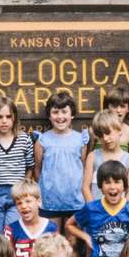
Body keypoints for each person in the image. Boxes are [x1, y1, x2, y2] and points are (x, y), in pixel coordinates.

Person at [34, 91, 88, 231]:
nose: (60, 116)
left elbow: (82, 166)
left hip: (75, 201)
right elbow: (38, 169)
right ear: (49, 115)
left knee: (73, 243)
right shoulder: (42, 140)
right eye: (55, 112)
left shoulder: (80, 139)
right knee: (52, 241)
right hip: (50, 202)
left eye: (64, 112)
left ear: (72, 115)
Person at [0, 96, 35, 233]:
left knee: (12, 231)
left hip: (17, 193)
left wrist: (24, 187)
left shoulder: (24, 139)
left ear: (14, 118)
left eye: (8, 116)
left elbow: (29, 166)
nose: (4, 121)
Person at [4, 179, 58, 257]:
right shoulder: (11, 229)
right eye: (19, 203)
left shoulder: (51, 227)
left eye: (28, 201)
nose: (24, 206)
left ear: (39, 201)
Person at [82, 110, 129, 202]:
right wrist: (93, 209)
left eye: (108, 133)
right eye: (101, 136)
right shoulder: (92, 157)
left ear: (119, 130)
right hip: (97, 211)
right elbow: (86, 187)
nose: (105, 139)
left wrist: (122, 211)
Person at [102, 87, 129, 153]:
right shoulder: (95, 131)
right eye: (114, 106)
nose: (118, 110)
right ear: (107, 107)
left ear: (128, 109)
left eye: (122, 106)